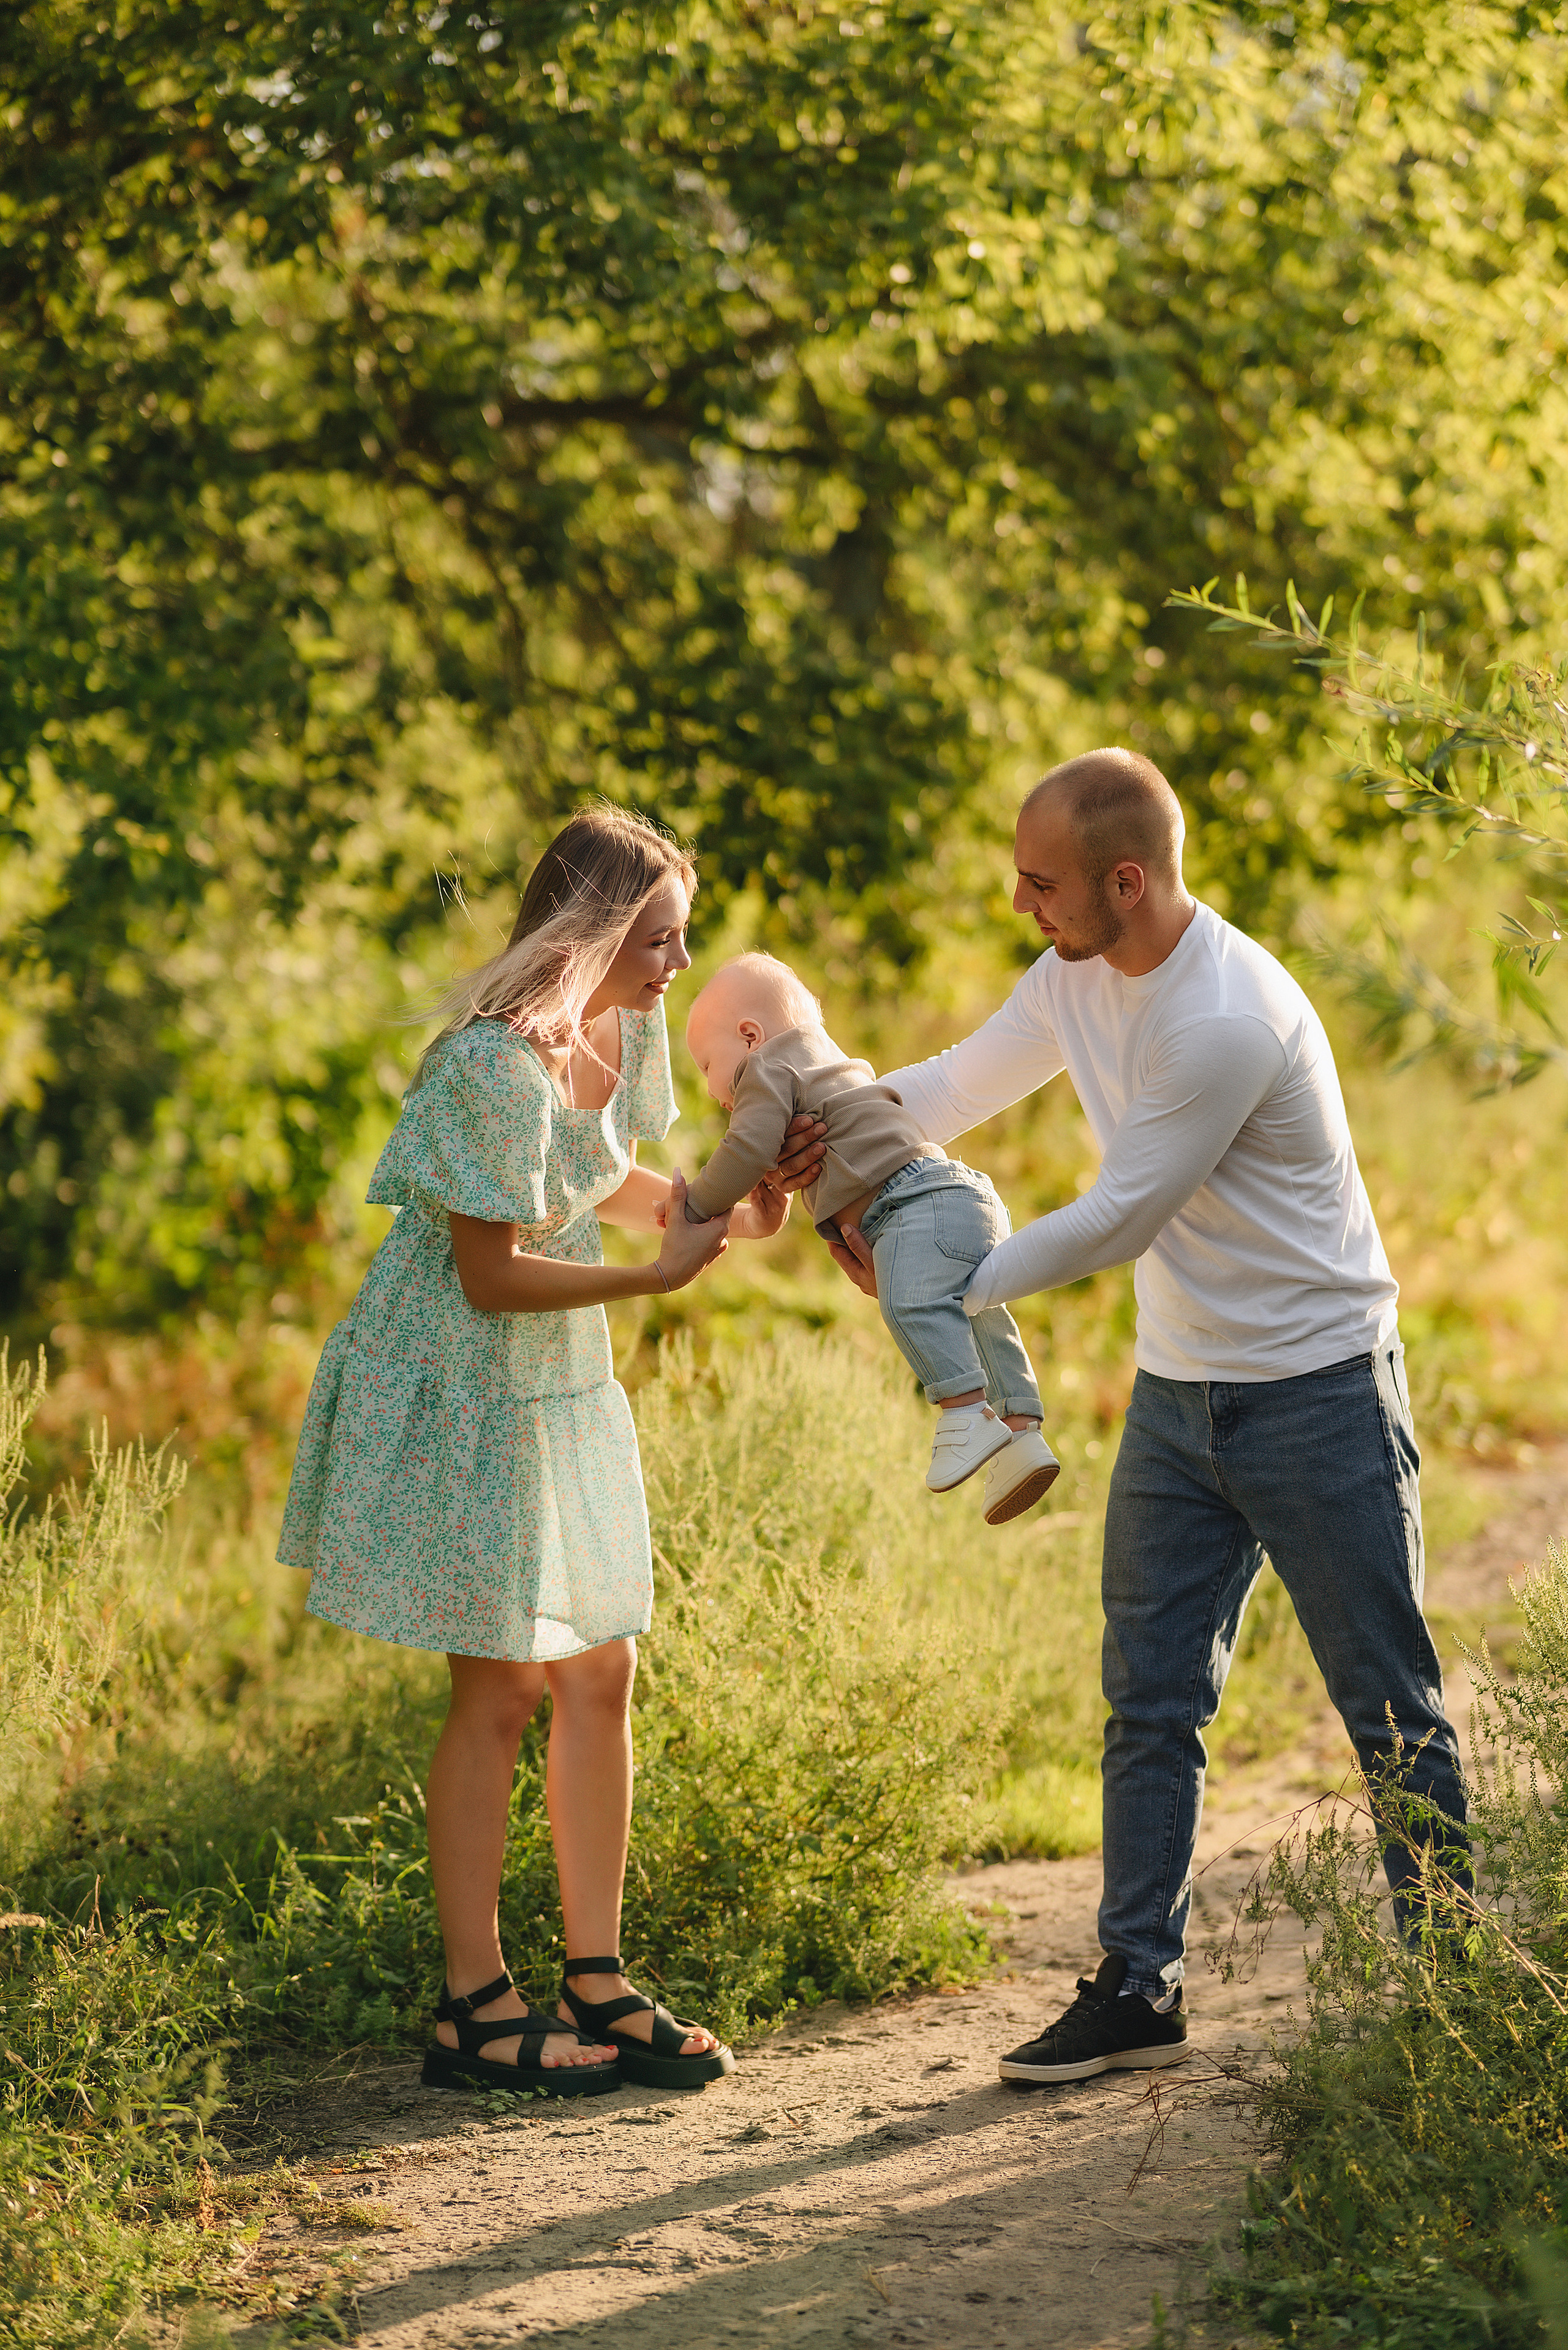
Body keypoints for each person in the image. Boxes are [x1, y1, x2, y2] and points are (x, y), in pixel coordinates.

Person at [782, 748, 1469, 2085]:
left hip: (1317, 1392)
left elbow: (1117, 1217)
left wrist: (939, 1286)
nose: (1018, 901)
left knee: (1388, 1707)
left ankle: (1453, 1995)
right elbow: (948, 1087)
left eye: (1039, 882)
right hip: (1178, 1395)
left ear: (1123, 878)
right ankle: (1136, 1984)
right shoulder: (1073, 972)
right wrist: (825, 1139)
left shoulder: (1225, 1015)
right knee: (1147, 1700)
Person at [277, 807, 788, 2097]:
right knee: (499, 1688)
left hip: (552, 1382)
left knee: (599, 1668)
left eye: (679, 938)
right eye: (658, 938)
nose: (677, 964)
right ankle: (472, 2000)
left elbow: (600, 1170)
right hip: (461, 1379)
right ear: (596, 931)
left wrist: (716, 1199)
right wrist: (650, 1277)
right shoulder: (488, 1070)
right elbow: (492, 1272)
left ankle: (596, 1976)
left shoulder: (619, 1026)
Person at [680, 952, 1058, 1522]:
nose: (712, 1090)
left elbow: (746, 1148)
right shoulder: (827, 1065)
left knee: (909, 1303)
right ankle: (1021, 1431)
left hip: (914, 1203)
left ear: (751, 1037)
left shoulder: (767, 1068)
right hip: (959, 1195)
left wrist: (695, 1204)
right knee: (979, 1309)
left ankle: (964, 1413)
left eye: (707, 1065)